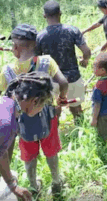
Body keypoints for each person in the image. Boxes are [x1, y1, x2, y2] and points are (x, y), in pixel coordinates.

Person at [0, 24, 68, 197]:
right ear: (35, 43)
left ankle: (33, 184)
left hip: (22, 123)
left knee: (29, 155)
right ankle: (56, 181)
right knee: (51, 150)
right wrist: (61, 101)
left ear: (15, 48)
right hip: (47, 116)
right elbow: (63, 82)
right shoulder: (47, 61)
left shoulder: (8, 71)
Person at [0, 72, 55, 201]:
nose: (41, 109)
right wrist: (12, 186)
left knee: (11, 175)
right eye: (43, 104)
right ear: (35, 101)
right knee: (10, 196)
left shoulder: (5, 102)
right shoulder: (8, 123)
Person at [36, 0, 91, 122]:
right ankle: (81, 132)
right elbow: (86, 51)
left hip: (53, 80)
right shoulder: (72, 30)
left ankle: (56, 137)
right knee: (76, 109)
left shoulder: (40, 36)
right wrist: (85, 60)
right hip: (73, 78)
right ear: (60, 13)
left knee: (55, 111)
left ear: (44, 15)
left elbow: (36, 61)